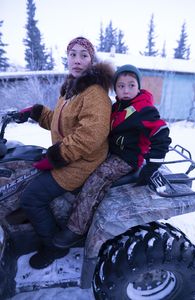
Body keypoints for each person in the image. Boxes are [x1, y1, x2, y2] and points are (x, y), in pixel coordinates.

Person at [14, 37, 114, 269]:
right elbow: (60, 123)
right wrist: (36, 112)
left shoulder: (95, 94)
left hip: (82, 162)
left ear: (91, 60)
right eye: (72, 54)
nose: (77, 60)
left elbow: (88, 137)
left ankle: (54, 247)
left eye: (83, 55)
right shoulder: (71, 89)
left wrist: (55, 157)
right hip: (68, 155)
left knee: (31, 198)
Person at [53, 64, 172, 249]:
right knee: (83, 168)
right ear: (115, 88)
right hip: (111, 152)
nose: (126, 90)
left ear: (138, 87)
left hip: (127, 159)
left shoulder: (144, 109)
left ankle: (76, 229)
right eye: (121, 86)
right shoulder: (117, 106)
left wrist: (152, 165)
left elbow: (161, 133)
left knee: (97, 179)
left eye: (131, 85)